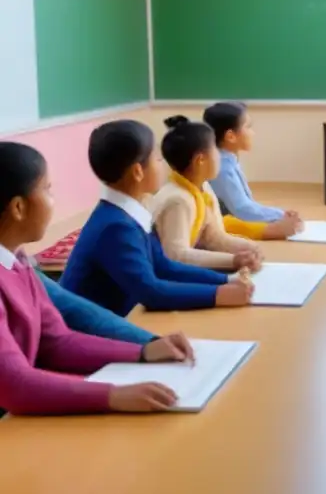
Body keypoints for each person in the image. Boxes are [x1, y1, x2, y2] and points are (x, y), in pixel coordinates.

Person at [0, 141, 192, 416]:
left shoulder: (17, 261)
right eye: (48, 189)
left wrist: (143, 352)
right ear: (18, 208)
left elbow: (57, 341)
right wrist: (112, 395)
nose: (54, 200)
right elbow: (15, 385)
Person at [60, 120, 253, 317]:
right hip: (90, 330)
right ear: (138, 172)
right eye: (157, 159)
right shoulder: (115, 227)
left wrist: (226, 281)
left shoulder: (131, 212)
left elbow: (163, 266)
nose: (162, 165)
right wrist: (218, 294)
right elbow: (151, 291)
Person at [149, 116, 267, 271]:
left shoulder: (203, 188)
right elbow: (176, 255)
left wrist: (250, 248)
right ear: (201, 160)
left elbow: (213, 238)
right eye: (216, 151)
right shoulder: (178, 200)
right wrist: (233, 260)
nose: (219, 156)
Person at [204, 101, 304, 231]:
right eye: (248, 127)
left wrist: (280, 214)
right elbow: (242, 211)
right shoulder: (221, 169)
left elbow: (247, 203)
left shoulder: (228, 160)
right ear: (231, 136)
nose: (253, 133)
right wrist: (281, 216)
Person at [39, 270, 164, 346]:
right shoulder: (116, 227)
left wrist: (151, 344)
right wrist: (150, 343)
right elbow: (79, 312)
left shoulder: (23, 266)